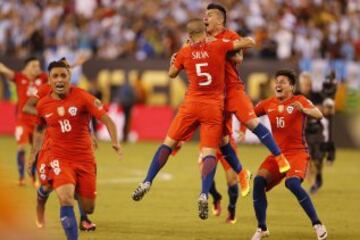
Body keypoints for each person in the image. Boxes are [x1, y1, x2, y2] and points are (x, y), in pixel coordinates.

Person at [131, 18, 255, 220]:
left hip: (191, 105)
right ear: (205, 33)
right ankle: (204, 194)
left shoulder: (185, 52)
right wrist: (238, 47)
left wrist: (176, 58)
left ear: (188, 36)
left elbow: (171, 73)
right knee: (209, 153)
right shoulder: (217, 45)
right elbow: (247, 43)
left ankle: (147, 181)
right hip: (213, 107)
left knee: (168, 144)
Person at [35, 59, 121, 240]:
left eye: (63, 76)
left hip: (84, 159)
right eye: (55, 76)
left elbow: (107, 119)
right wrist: (34, 153)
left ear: (69, 77)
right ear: (49, 81)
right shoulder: (42, 104)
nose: (59, 80)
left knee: (89, 207)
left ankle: (46, 190)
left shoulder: (83, 97)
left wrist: (115, 141)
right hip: (59, 157)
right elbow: (40, 128)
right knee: (66, 198)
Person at [251, 69, 327, 240]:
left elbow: (319, 114)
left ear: (291, 87)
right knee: (258, 181)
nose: (278, 84)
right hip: (277, 155)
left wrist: (305, 111)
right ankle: (262, 228)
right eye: (277, 81)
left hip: (297, 153)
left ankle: (317, 224)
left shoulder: (299, 100)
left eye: (283, 81)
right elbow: (248, 115)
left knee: (292, 184)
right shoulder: (267, 104)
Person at [24, 60, 97, 231]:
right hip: (52, 145)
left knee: (82, 179)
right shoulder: (44, 90)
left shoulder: (74, 92)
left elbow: (83, 114)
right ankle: (41, 200)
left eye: (65, 73)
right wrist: (50, 116)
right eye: (56, 75)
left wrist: (90, 133)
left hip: (76, 146)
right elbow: (29, 109)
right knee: (49, 185)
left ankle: (84, 219)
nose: (60, 79)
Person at [0, 57, 47, 186]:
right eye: (34, 66)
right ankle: (21, 177)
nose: (37, 68)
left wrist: (76, 63)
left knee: (36, 150)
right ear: (27, 68)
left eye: (38, 65)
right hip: (22, 120)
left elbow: (59, 74)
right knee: (21, 147)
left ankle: (33, 177)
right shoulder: (19, 77)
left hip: (38, 122)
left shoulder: (43, 78)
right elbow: (3, 69)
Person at [298, 72, 336, 194]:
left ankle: (318, 174)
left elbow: (328, 111)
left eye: (307, 84)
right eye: (303, 84)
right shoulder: (296, 96)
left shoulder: (317, 96)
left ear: (311, 84)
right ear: (300, 84)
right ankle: (313, 184)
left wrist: (328, 108)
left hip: (317, 130)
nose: (305, 86)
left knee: (318, 158)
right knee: (307, 158)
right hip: (304, 131)